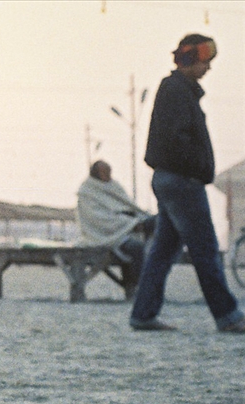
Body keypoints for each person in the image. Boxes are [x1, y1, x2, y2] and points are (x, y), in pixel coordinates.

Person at [129, 34, 245, 332]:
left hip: (171, 180)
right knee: (205, 249)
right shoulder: (176, 90)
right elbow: (176, 139)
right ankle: (229, 316)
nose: (208, 67)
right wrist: (196, 169)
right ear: (191, 58)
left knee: (163, 251)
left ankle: (143, 314)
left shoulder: (178, 90)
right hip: (182, 182)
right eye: (205, 60)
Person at [76, 160, 155, 292]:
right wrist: (130, 224)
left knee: (158, 222)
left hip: (125, 228)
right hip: (105, 236)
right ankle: (138, 287)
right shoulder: (87, 191)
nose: (109, 175)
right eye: (105, 172)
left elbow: (128, 206)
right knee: (137, 248)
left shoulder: (114, 186)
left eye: (109, 172)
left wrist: (135, 220)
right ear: (96, 173)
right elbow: (98, 219)